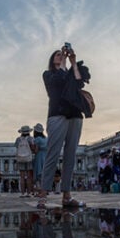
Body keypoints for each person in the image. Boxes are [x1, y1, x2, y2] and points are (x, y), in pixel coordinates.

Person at [36, 44, 87, 209]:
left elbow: (79, 84)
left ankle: (67, 195)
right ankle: (43, 195)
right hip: (57, 114)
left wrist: (73, 63)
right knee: (53, 154)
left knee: (70, 156)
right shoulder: (48, 74)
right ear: (53, 60)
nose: (60, 55)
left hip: (75, 115)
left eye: (61, 54)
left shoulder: (70, 71)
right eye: (57, 55)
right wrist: (64, 64)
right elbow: (58, 82)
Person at [15, 125, 35, 197]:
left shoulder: (18, 139)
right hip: (29, 158)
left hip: (20, 159)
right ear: (29, 132)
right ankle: (28, 193)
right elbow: (33, 148)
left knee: (22, 177)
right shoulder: (31, 139)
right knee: (29, 176)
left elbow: (17, 147)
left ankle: (22, 193)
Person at [33, 123, 48, 190]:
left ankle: (40, 190)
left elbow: (36, 150)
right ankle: (45, 189)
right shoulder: (46, 139)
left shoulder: (37, 139)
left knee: (38, 173)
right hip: (46, 156)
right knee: (44, 173)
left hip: (39, 156)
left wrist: (32, 149)